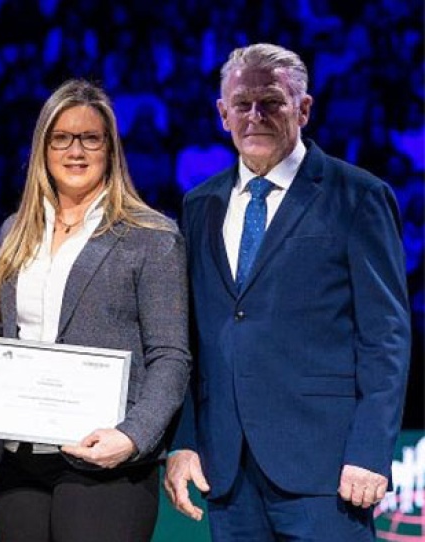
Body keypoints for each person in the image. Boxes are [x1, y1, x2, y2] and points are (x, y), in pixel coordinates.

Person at [164, 43, 411, 541]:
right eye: (242, 104)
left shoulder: (357, 195)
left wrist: (368, 450)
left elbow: (385, 336)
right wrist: (185, 441)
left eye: (271, 101)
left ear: (303, 108)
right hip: (227, 467)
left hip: (326, 468)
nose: (255, 115)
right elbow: (190, 338)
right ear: (222, 114)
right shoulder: (199, 205)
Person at [0, 79, 191, 542]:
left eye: (90, 138)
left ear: (110, 148)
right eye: (61, 138)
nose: (76, 151)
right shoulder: (15, 232)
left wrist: (133, 436)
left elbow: (171, 357)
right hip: (16, 461)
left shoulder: (151, 237)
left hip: (105, 462)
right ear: (43, 148)